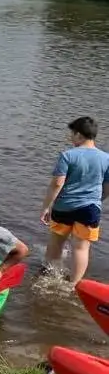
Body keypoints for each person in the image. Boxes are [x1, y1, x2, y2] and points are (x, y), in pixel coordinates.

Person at [39, 116, 109, 285]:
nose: (71, 138)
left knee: (56, 242)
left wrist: (46, 207)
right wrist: (98, 200)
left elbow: (57, 183)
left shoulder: (67, 155)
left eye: (72, 134)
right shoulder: (106, 158)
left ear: (78, 134)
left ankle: (50, 276)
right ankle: (73, 284)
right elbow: (108, 186)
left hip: (64, 207)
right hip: (90, 209)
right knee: (81, 247)